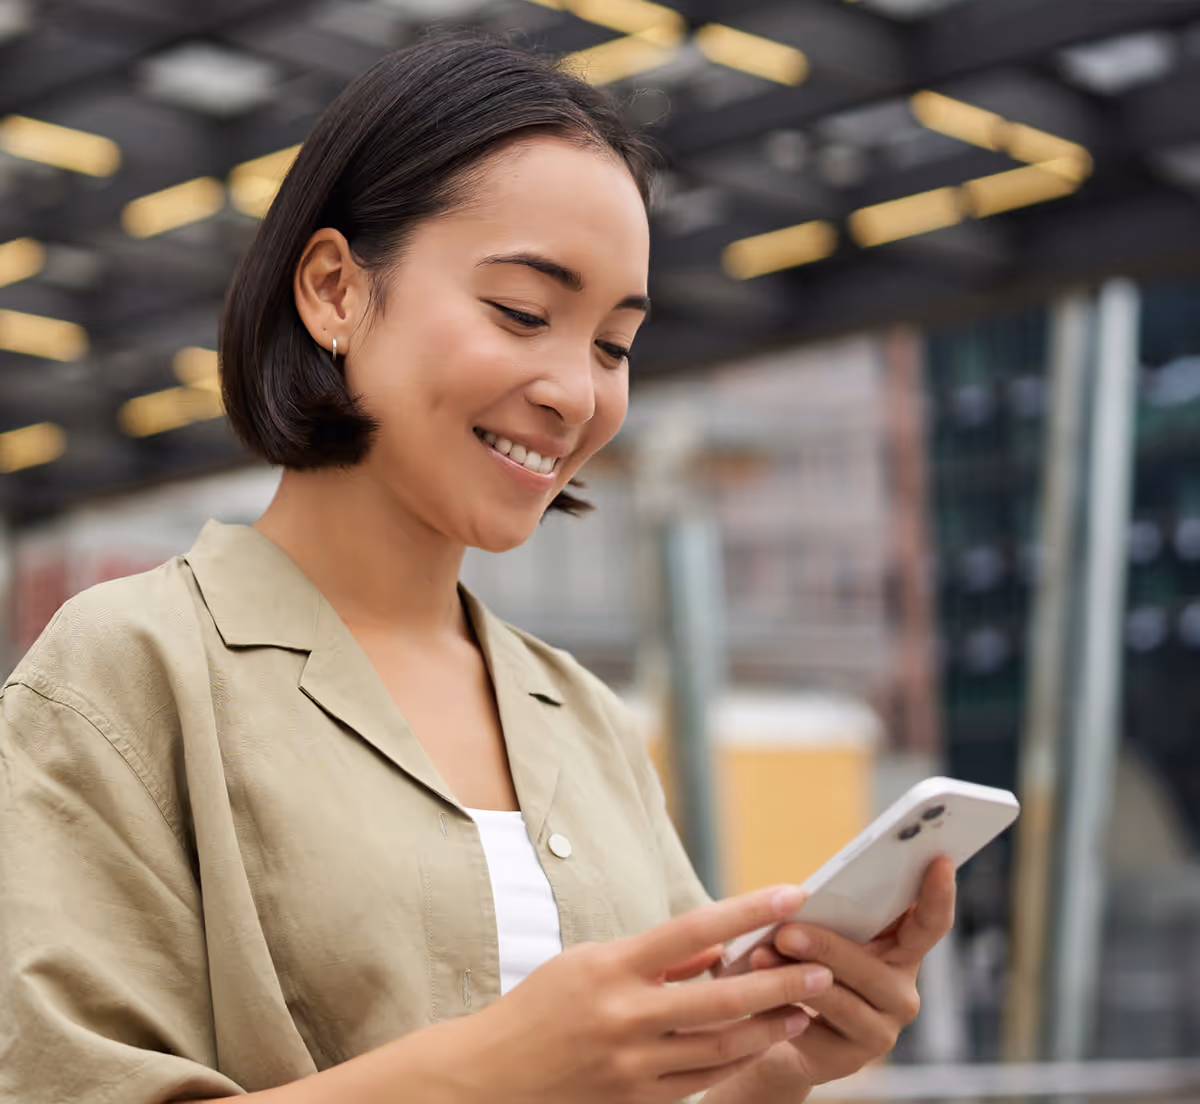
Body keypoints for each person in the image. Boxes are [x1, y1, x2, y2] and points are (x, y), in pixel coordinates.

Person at [0, 33, 955, 1104]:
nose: (576, 393)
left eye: (612, 345)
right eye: (521, 312)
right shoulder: (123, 674)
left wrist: (773, 1067)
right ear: (333, 291)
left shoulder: (585, 722)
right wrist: (499, 1068)